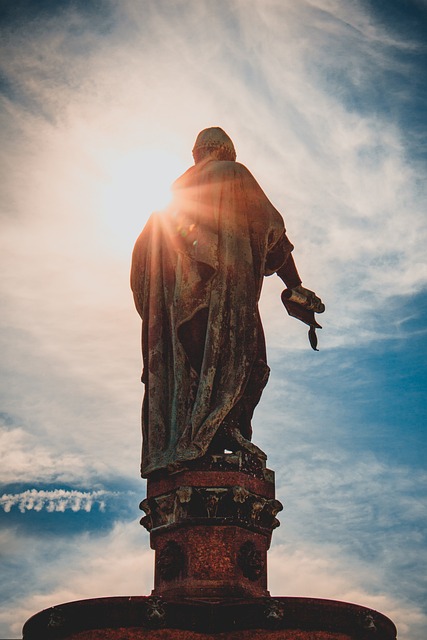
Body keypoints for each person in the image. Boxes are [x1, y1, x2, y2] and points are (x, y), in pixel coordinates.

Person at [131, 127, 323, 477]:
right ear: (226, 151)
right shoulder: (233, 174)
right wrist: (295, 286)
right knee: (249, 364)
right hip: (222, 302)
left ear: (197, 153)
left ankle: (198, 438)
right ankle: (222, 430)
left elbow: (141, 276)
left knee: (198, 375)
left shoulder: (165, 203)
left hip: (178, 317)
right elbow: (272, 234)